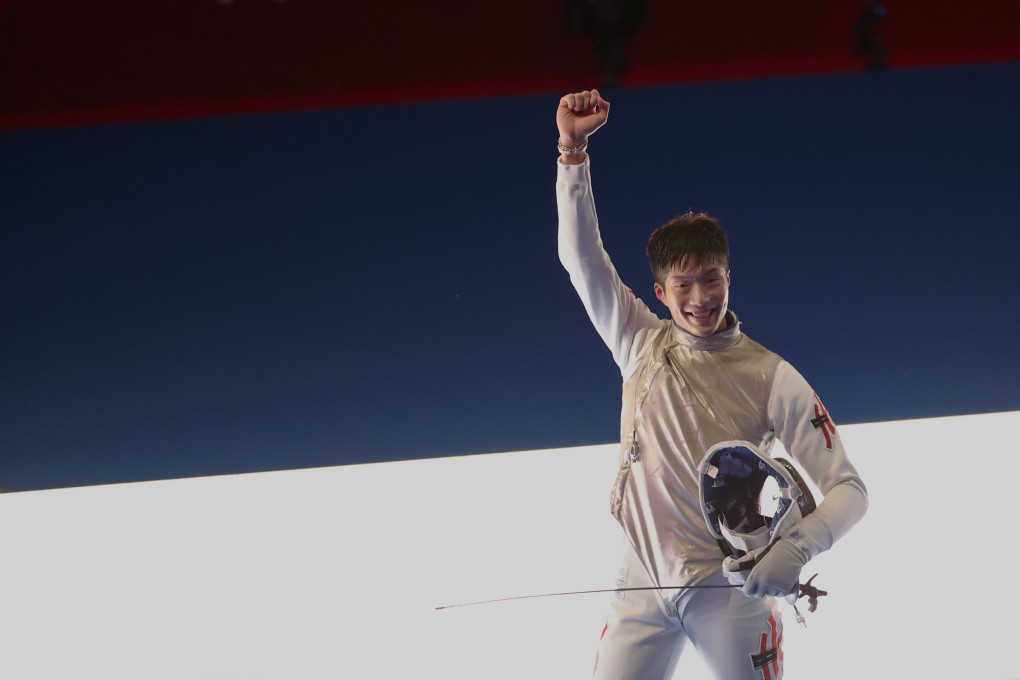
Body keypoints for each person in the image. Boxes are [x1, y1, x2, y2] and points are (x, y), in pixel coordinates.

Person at [555, 89, 869, 680]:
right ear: (659, 293)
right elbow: (581, 259)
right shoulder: (639, 342)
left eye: (711, 280)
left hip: (732, 594)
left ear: (729, 276)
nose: (700, 299)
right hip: (641, 581)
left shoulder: (772, 376)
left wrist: (795, 550)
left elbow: (850, 490)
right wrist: (572, 151)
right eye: (683, 286)